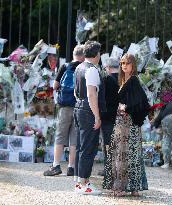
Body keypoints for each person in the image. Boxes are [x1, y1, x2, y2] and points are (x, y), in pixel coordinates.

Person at [103, 53, 149, 197]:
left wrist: (126, 108)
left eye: (127, 63)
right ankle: (132, 187)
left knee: (126, 155)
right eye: (122, 63)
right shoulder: (124, 80)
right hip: (123, 124)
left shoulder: (133, 80)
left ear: (133, 65)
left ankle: (124, 188)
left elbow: (142, 102)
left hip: (128, 124)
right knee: (129, 155)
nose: (124, 66)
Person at [43, 45, 85, 176]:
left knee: (60, 135)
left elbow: (55, 86)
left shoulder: (65, 66)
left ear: (73, 54)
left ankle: (56, 165)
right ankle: (71, 167)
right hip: (79, 107)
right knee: (74, 137)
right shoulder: (85, 68)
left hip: (65, 107)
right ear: (83, 56)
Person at [73, 40, 106, 195]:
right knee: (88, 148)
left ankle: (80, 182)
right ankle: (83, 183)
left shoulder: (78, 67)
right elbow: (91, 94)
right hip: (88, 110)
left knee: (81, 146)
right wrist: (97, 116)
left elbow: (75, 91)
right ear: (97, 54)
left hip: (78, 108)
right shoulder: (92, 69)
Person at [98, 57, 120, 176]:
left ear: (108, 67)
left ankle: (109, 169)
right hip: (121, 116)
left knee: (107, 143)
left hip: (107, 116)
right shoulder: (124, 79)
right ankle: (118, 168)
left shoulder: (106, 79)